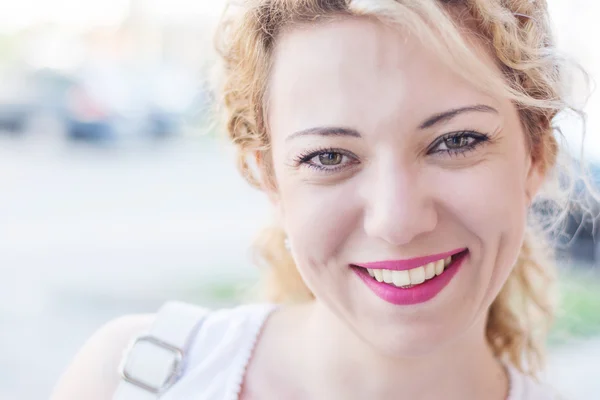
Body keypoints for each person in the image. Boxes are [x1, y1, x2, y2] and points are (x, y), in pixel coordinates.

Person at [52, 0, 590, 398]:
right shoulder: (130, 377)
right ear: (268, 181)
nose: (397, 220)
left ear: (536, 156)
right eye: (329, 157)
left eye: (455, 142)